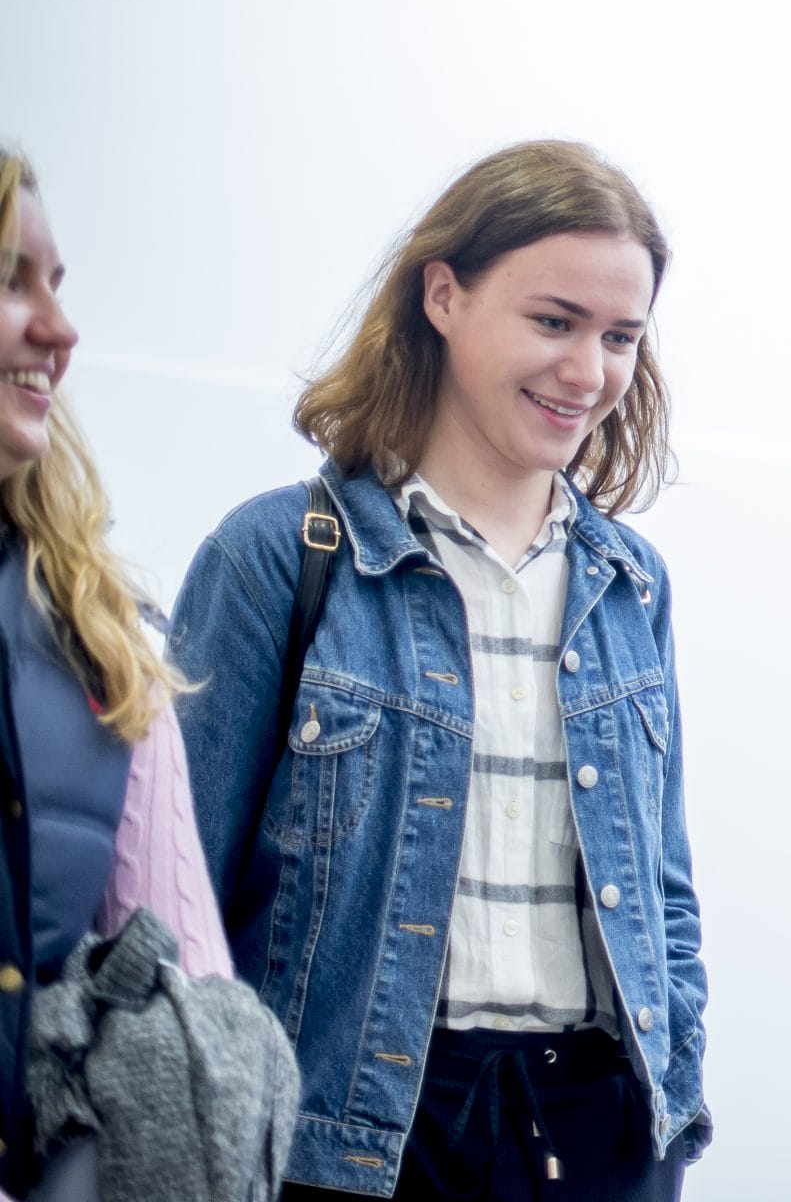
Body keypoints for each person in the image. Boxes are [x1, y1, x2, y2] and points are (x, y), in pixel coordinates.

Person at [170, 141, 708, 1200]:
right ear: (444, 295)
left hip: (602, 1131)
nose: (589, 372)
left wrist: (675, 1084)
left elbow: (664, 891)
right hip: (356, 1140)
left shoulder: (631, 583)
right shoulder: (278, 558)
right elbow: (175, 906)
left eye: (620, 337)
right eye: (554, 322)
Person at [0, 143, 235, 1200]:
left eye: (56, 284)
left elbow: (188, 1022)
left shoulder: (104, 637)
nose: (58, 328)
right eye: (13, 282)